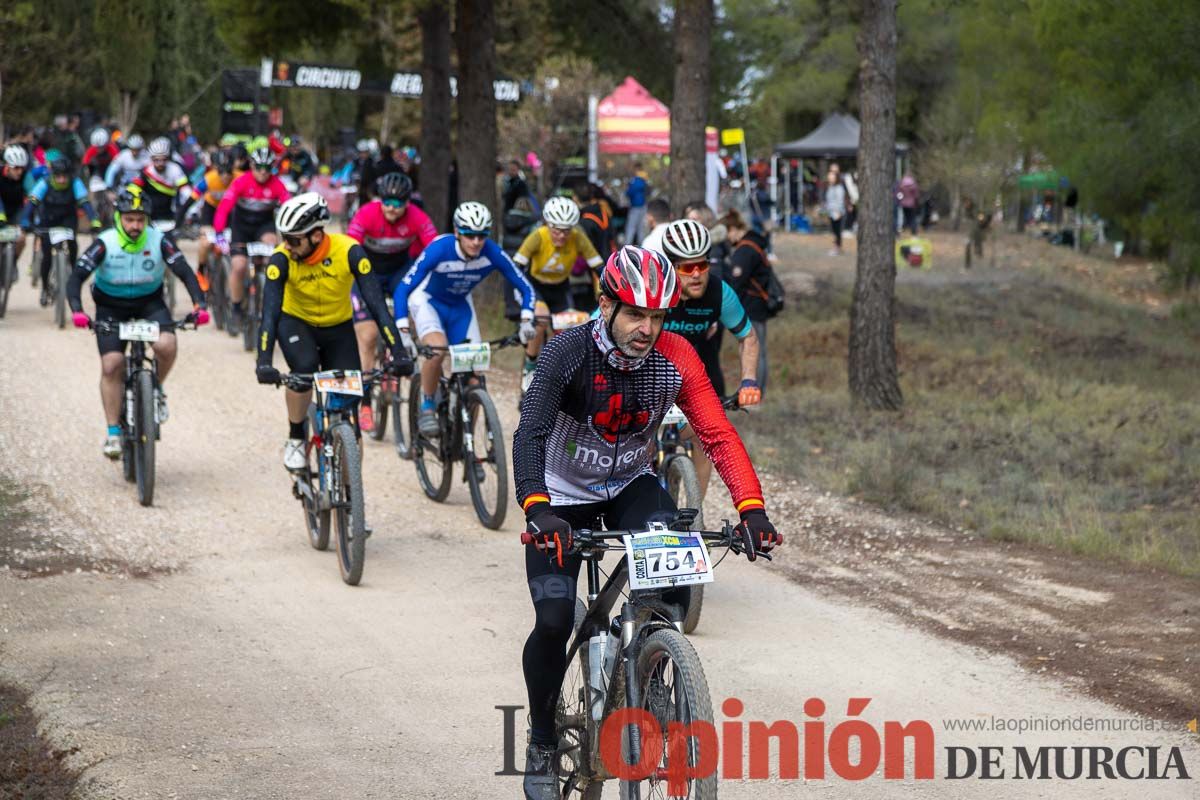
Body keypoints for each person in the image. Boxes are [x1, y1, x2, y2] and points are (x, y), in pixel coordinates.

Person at [513, 244, 781, 798]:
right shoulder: (569, 351)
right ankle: (542, 739)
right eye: (636, 313)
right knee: (555, 619)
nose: (647, 328)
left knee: (669, 584)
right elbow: (530, 433)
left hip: (631, 485)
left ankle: (654, 668)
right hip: (560, 495)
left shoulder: (676, 355)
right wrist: (537, 508)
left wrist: (751, 509)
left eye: (658, 316)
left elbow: (717, 434)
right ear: (606, 304)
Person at [254, 193, 412, 471]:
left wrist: (398, 351)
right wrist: (264, 361)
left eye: (293, 239)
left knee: (348, 411)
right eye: (284, 237)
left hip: (337, 328)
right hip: (296, 323)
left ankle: (351, 494)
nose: (286, 246)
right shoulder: (281, 260)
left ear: (316, 236)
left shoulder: (349, 252)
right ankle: (295, 436)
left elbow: (377, 307)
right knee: (303, 370)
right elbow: (269, 314)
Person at [67, 186, 209, 458]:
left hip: (149, 304)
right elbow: (76, 278)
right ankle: (112, 433)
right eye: (129, 219)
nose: (135, 225)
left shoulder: (159, 240)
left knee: (167, 345)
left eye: (140, 220)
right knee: (112, 364)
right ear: (119, 217)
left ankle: (155, 389)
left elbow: (185, 272)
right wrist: (77, 310)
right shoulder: (105, 242)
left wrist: (199, 304)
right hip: (110, 307)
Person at [393, 201, 537, 436]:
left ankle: (467, 444)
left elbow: (524, 287)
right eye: (470, 235)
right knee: (437, 350)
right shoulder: (440, 248)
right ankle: (427, 403)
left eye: (481, 236)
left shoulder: (491, 251)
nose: (476, 242)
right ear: (458, 232)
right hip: (428, 301)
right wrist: (403, 331)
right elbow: (403, 289)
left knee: (476, 377)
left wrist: (526, 320)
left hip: (460, 306)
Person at [657, 219, 762, 497]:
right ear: (670, 268)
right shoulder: (655, 290)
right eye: (687, 268)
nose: (697, 275)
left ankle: (694, 514)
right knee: (638, 444)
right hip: (652, 375)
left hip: (698, 377)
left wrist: (749, 380)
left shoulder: (720, 293)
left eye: (702, 265)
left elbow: (748, 337)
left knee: (705, 440)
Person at [345, 172, 438, 432]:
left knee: (406, 320)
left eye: (398, 203)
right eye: (387, 201)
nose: (392, 208)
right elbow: (351, 247)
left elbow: (433, 249)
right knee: (367, 336)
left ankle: (396, 357)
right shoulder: (366, 213)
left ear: (408, 202)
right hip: (368, 272)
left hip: (399, 272)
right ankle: (364, 402)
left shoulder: (418, 217)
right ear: (379, 199)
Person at [513, 196, 603, 388]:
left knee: (567, 327)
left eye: (566, 231)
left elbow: (598, 266)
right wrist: (519, 301)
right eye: (557, 230)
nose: (561, 236)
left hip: (561, 287)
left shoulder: (578, 236)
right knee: (542, 318)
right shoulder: (538, 235)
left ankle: (557, 369)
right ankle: (530, 365)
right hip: (536, 286)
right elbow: (516, 267)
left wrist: (609, 289)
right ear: (548, 225)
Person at [213, 147, 290, 332]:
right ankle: (237, 308)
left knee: (272, 251)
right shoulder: (241, 182)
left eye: (267, 167)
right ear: (252, 166)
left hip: (263, 227)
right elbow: (224, 208)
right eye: (258, 167)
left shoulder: (277, 185)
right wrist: (219, 233)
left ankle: (266, 296)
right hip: (241, 228)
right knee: (239, 266)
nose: (263, 171)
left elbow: (289, 208)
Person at [19, 157, 100, 306]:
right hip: (47, 220)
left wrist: (94, 219)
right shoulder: (44, 183)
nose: (62, 180)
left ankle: (73, 270)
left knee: (72, 244)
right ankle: (45, 288)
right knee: (47, 257)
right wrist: (25, 220)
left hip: (68, 219)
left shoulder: (76, 183)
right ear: (53, 175)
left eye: (65, 176)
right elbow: (32, 203)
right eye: (58, 176)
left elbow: (85, 203)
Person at [721, 210, 773, 393]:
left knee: (754, 350)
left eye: (727, 233)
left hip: (752, 305)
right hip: (756, 304)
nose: (727, 238)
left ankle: (755, 391)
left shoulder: (745, 250)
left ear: (733, 228)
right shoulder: (754, 244)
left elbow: (736, 281)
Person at [131, 137, 192, 230]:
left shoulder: (175, 169)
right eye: (156, 160)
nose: (160, 163)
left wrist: (189, 211)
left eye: (163, 160)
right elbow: (134, 189)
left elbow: (186, 191)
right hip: (149, 215)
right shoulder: (146, 170)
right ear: (151, 159)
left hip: (169, 215)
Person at [0, 145, 31, 265]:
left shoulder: (26, 176)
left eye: (22, 168)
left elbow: (34, 196)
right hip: (1, 210)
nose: (20, 171)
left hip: (16, 211)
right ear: (7, 166)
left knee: (21, 239)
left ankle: (12, 263)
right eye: (16, 168)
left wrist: (27, 219)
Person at [824, 168, 848, 256]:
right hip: (831, 212)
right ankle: (836, 247)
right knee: (834, 231)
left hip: (837, 213)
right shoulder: (830, 187)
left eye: (831, 177)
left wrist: (838, 212)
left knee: (838, 232)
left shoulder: (839, 188)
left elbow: (840, 201)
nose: (829, 178)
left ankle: (837, 248)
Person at [623, 162, 648, 244]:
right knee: (641, 229)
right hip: (643, 206)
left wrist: (627, 189)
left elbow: (629, 192)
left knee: (631, 228)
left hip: (635, 207)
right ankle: (643, 247)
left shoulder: (635, 181)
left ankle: (627, 247)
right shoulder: (644, 180)